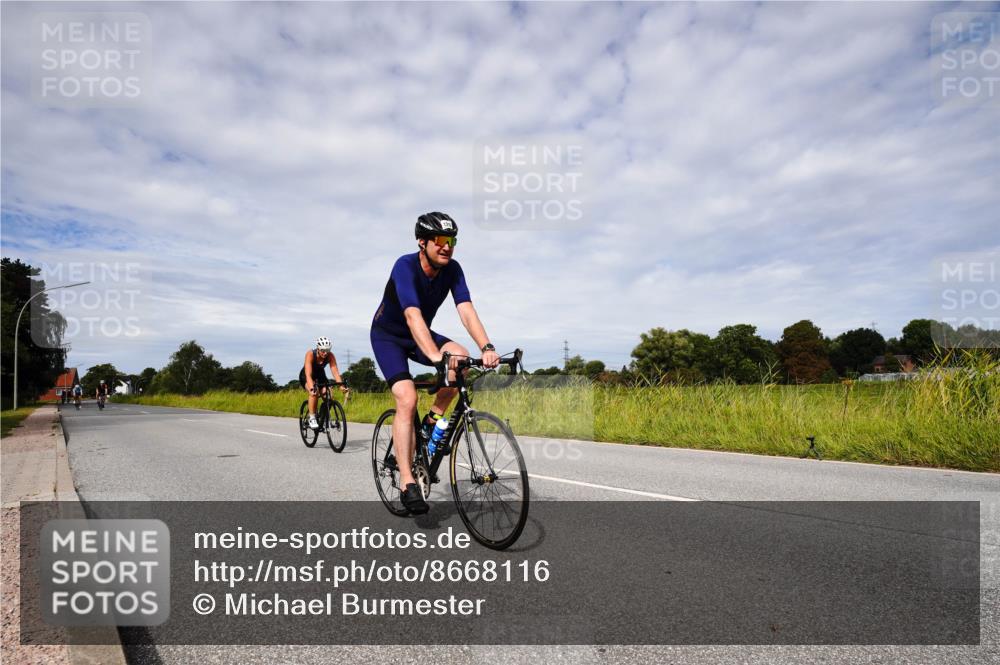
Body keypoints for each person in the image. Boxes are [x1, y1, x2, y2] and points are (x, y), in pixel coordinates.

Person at [370, 211, 500, 514]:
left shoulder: (453, 270)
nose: (447, 247)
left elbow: (466, 309)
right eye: (440, 240)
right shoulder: (405, 266)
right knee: (407, 397)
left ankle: (430, 423)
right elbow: (412, 315)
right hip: (389, 336)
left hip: (421, 334)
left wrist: (487, 346)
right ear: (422, 242)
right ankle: (407, 482)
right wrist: (433, 356)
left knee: (462, 360)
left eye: (452, 240)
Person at [299, 336, 348, 430]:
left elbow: (335, 372)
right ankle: (312, 417)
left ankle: (322, 418)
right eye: (323, 350)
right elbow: (308, 374)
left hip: (320, 375)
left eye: (328, 350)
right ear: (318, 348)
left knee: (328, 396)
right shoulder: (310, 354)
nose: (325, 353)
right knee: (314, 392)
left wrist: (341, 386)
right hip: (306, 376)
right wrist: (312, 387)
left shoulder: (330, 356)